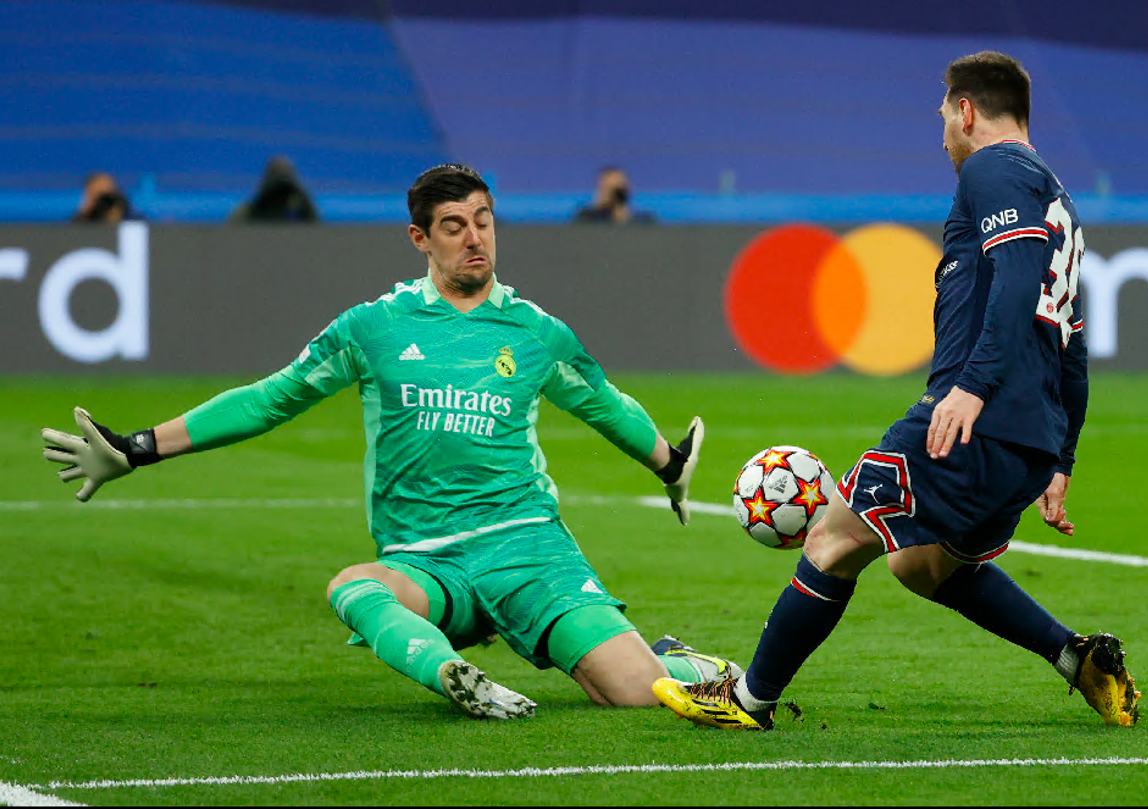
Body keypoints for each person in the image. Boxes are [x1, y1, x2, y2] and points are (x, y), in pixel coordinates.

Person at [42, 163, 739, 720]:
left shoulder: (535, 331)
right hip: (427, 562)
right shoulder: (372, 327)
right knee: (354, 585)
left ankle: (679, 662)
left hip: (528, 549)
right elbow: (268, 398)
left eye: (484, 221)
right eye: (455, 226)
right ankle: (454, 675)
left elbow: (604, 404)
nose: (476, 239)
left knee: (633, 691)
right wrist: (137, 446)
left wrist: (670, 463)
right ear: (419, 238)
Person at [653, 51, 1141, 730]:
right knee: (920, 564)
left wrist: (971, 387)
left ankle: (747, 698)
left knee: (830, 537)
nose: (941, 130)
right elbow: (1072, 339)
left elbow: (1019, 277)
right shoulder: (1055, 197)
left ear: (967, 110)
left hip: (974, 420)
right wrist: (1062, 457)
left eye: (944, 113)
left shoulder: (993, 167)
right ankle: (1075, 656)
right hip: (1025, 438)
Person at [229, 155, 320, 223]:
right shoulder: (250, 210)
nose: (280, 193)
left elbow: (317, 228)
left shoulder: (300, 207)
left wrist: (303, 200)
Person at [573, 166, 655, 224]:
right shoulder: (587, 217)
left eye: (618, 188)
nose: (613, 193)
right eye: (607, 187)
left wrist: (621, 212)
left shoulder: (645, 221)